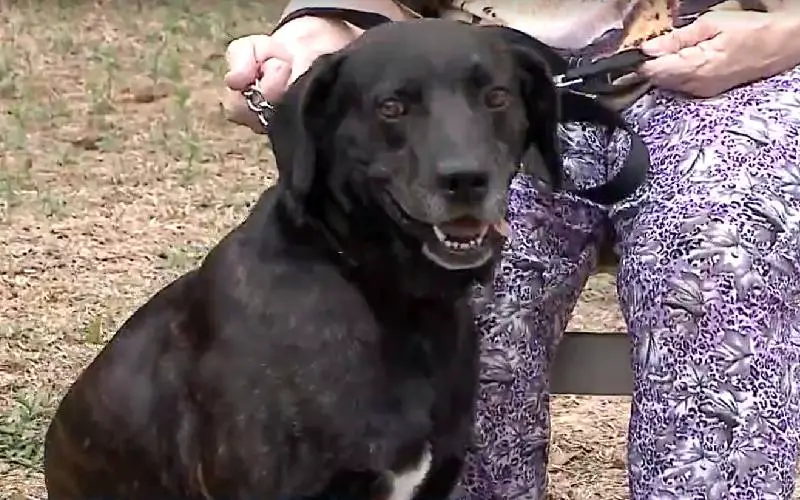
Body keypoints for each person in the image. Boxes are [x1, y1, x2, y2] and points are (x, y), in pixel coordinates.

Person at [223, 1, 800, 498]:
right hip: (472, 80)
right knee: (457, 281)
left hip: (735, 68)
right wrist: (318, 25)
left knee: (725, 257)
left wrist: (788, 33)